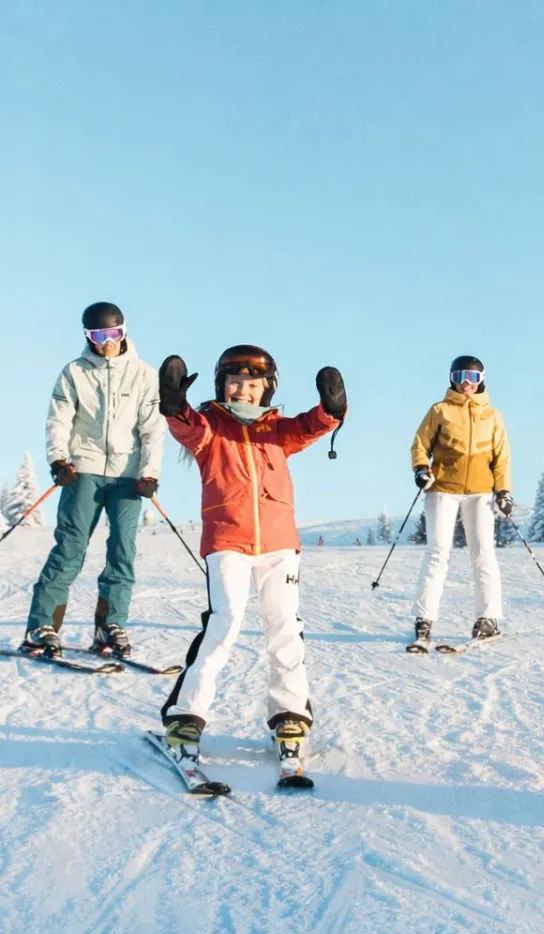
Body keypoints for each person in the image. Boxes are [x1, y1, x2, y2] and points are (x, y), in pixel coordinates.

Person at [157, 345, 346, 778]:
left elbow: (310, 426)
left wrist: (332, 408)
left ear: (266, 390)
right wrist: (173, 403)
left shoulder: (277, 429)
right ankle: (185, 718)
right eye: (235, 383)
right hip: (227, 540)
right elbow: (185, 427)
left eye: (253, 385)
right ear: (222, 387)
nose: (243, 391)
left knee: (284, 629)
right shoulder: (209, 427)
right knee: (224, 623)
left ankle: (290, 716)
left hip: (279, 543)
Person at [21, 302, 164, 660]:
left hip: (128, 477)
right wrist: (59, 459)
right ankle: (42, 626)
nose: (107, 342)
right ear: (88, 337)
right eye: (98, 336)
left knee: (122, 551)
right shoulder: (74, 372)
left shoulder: (144, 374)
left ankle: (110, 626)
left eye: (113, 334)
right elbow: (59, 419)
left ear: (124, 331)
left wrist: (150, 472)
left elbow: (152, 429)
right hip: (83, 470)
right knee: (70, 548)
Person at [409, 355, 512, 651]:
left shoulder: (493, 416)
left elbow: (501, 457)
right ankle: (424, 619)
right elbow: (420, 445)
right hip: (442, 489)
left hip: (480, 492)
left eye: (473, 377)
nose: (466, 383)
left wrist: (503, 490)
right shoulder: (439, 410)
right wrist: (420, 468)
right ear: (451, 379)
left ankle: (488, 618)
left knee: (483, 553)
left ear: (482, 381)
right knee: (438, 553)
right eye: (460, 376)